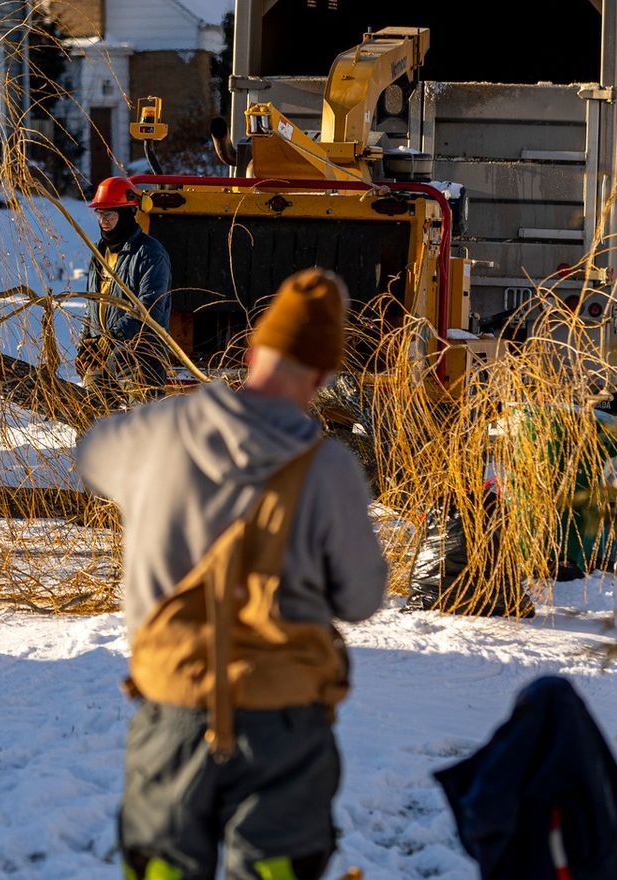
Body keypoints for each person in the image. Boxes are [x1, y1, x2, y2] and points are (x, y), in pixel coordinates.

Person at [76, 269, 387, 880]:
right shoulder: (329, 471)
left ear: (249, 354)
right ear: (323, 380)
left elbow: (91, 453)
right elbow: (361, 597)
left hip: (172, 710)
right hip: (285, 727)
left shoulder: (156, 435)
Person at [76, 176, 172, 406]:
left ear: (128, 213)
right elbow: (92, 302)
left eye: (109, 215)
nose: (103, 221)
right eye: (99, 214)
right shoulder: (100, 251)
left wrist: (115, 337)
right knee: (92, 420)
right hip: (103, 353)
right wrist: (85, 343)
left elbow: (150, 306)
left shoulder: (150, 254)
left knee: (141, 423)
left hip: (139, 355)